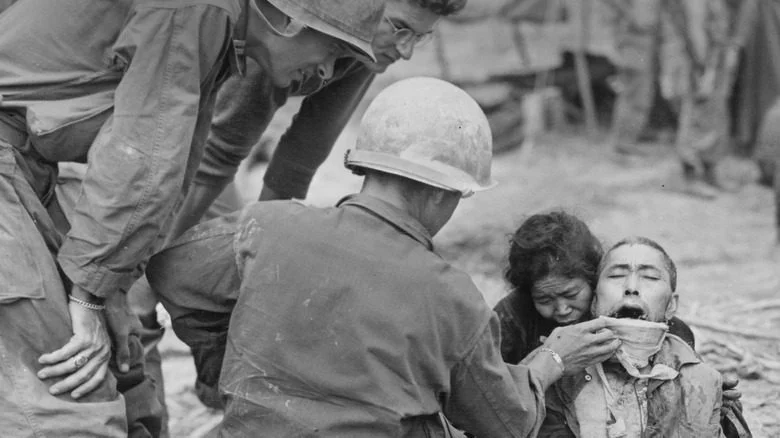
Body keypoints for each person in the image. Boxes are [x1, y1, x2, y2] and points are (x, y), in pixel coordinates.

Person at [146, 77, 622, 436]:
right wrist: (553, 357)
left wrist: (224, 362)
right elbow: (505, 421)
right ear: (445, 193)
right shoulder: (449, 296)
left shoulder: (267, 226)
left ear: (365, 166)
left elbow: (170, 272)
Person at [0, 0, 385, 436]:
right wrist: (88, 295)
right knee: (64, 397)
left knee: (120, 367)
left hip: (31, 166)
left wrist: (113, 289)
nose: (328, 74)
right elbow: (145, 150)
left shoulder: (221, 32)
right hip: (11, 159)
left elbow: (174, 169)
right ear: (288, 20)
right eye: (332, 51)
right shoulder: (195, 9)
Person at [494, 212, 751, 438]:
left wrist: (708, 396)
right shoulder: (512, 317)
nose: (561, 309)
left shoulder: (675, 338)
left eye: (572, 295)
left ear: (592, 285)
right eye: (545, 299)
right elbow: (487, 391)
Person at [540, 236, 725, 436]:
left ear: (671, 305)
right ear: (593, 301)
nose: (631, 287)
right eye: (616, 276)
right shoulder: (557, 370)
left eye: (650, 278)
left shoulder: (699, 380)